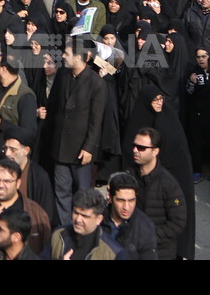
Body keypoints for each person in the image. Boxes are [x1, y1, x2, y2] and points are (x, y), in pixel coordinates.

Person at [43, 37, 106, 223]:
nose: (63, 56)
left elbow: (96, 120)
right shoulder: (63, 75)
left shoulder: (96, 83)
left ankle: (84, 226)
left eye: (67, 53)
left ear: (79, 57)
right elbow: (54, 104)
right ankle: (64, 228)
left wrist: (89, 147)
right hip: (60, 146)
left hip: (81, 150)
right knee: (61, 191)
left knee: (82, 193)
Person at [130, 127, 187, 260]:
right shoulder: (128, 176)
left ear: (155, 151)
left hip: (160, 252)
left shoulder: (169, 184)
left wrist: (149, 236)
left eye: (141, 148)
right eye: (134, 146)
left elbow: (178, 222)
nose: (135, 150)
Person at [48, 188, 126, 260]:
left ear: (99, 219)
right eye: (76, 213)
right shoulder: (58, 235)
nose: (78, 219)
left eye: (85, 216)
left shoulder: (113, 252)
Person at [102, 172, 157, 261]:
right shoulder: (97, 218)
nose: (126, 207)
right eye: (121, 200)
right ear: (110, 198)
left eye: (131, 200)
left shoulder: (145, 226)